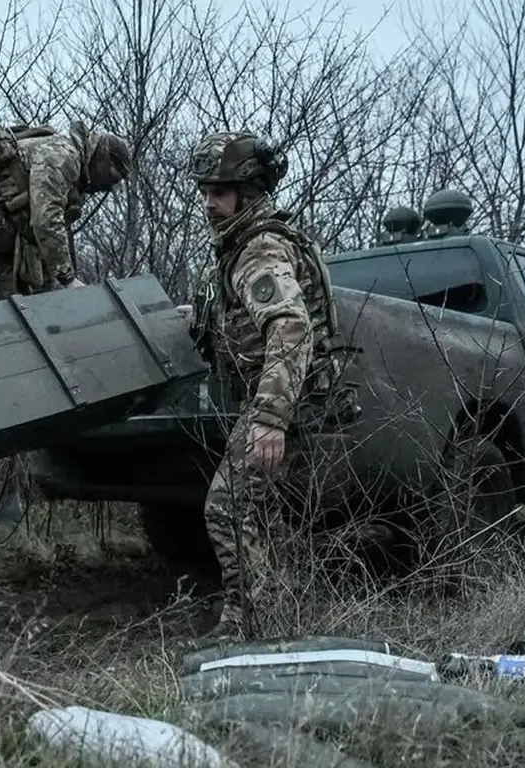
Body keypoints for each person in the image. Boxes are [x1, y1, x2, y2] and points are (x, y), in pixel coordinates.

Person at [184, 131, 348, 641]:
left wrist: (270, 419)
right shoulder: (245, 244)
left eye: (220, 192)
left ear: (249, 193)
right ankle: (265, 616)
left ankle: (250, 628)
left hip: (284, 402)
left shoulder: (259, 248)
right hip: (285, 396)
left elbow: (290, 326)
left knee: (228, 505)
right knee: (258, 512)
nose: (208, 203)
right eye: (204, 192)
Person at [0, 121, 132, 305]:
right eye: (111, 177)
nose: (107, 187)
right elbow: (46, 219)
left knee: (15, 307)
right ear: (103, 158)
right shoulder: (63, 156)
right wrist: (67, 278)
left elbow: (44, 239)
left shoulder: (74, 185)